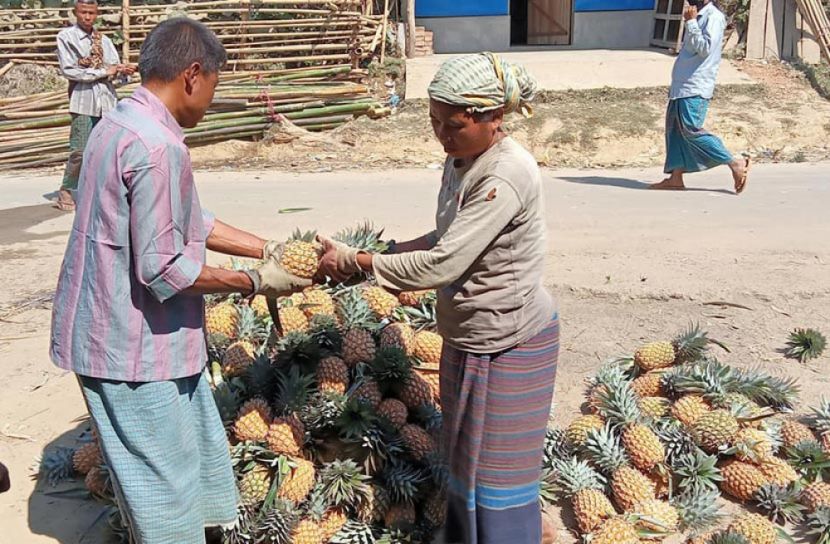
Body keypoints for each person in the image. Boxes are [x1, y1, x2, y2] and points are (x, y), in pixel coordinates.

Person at [49, 18, 311, 544]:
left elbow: (188, 218)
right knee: (163, 491)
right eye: (215, 84)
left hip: (112, 334)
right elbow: (163, 267)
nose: (212, 99)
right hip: (131, 350)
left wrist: (270, 249)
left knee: (178, 465)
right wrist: (254, 280)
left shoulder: (118, 123)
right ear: (193, 74)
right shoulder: (158, 148)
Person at [319, 53, 559, 544]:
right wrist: (383, 252)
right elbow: (444, 235)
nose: (442, 135)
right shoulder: (462, 160)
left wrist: (357, 264)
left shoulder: (505, 174)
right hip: (469, 336)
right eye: (434, 122)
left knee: (497, 477)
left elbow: (443, 263)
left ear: (494, 118)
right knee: (464, 462)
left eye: (453, 125)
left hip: (510, 341)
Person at [651, 0, 751, 193]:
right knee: (675, 131)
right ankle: (676, 177)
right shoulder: (699, 15)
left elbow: (705, 48)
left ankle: (735, 163)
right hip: (683, 84)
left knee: (691, 130)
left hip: (696, 85)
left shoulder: (713, 17)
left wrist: (691, 23)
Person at [55, 0, 135, 212]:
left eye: (91, 13)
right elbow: (70, 70)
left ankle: (104, 193)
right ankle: (67, 188)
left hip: (108, 103)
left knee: (108, 151)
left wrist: (122, 72)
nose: (87, 17)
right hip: (84, 102)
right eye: (83, 12)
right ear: (76, 13)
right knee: (80, 150)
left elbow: (114, 76)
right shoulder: (67, 37)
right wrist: (103, 72)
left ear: (97, 14)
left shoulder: (105, 41)